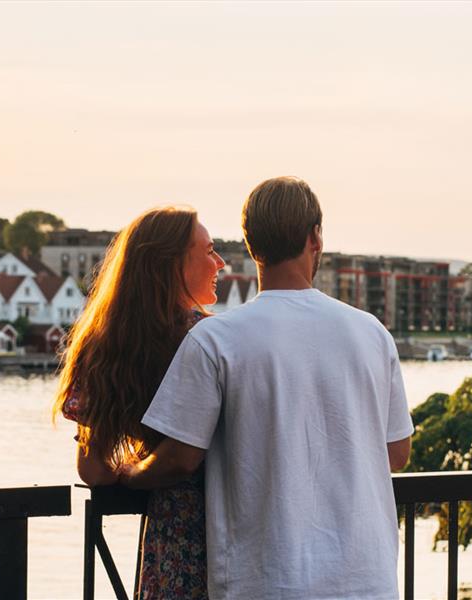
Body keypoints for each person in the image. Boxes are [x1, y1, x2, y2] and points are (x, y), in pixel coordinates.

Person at [120, 176, 413, 599]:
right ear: (315, 238)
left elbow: (180, 459)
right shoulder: (371, 334)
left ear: (250, 243)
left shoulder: (215, 340)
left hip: (263, 582)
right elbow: (396, 453)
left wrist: (130, 475)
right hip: (365, 580)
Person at [55, 205, 227, 599]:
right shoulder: (214, 340)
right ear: (171, 265)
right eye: (210, 251)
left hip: (173, 534)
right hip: (238, 524)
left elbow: (93, 469)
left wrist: (136, 472)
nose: (219, 263)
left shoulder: (106, 345)